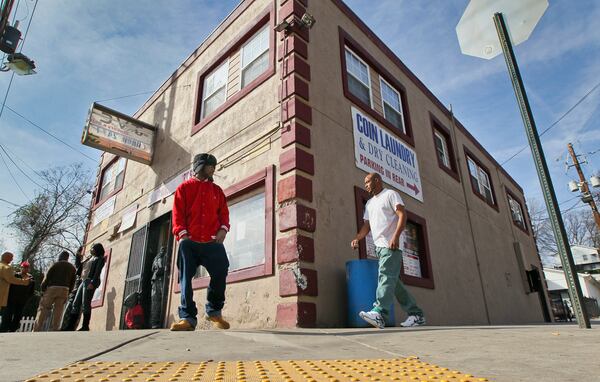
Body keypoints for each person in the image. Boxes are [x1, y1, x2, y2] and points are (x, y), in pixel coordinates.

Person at [351, 173, 425, 329]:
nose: (366, 185)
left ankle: (380, 313)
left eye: (368, 182)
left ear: (377, 180)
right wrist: (358, 238)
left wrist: (396, 237)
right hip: (380, 247)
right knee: (394, 283)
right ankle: (416, 314)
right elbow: (367, 226)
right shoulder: (370, 203)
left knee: (385, 275)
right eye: (364, 183)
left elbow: (402, 214)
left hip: (391, 245)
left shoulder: (391, 194)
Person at [170, 153, 230, 331]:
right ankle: (187, 318)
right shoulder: (184, 188)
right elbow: (177, 214)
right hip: (189, 242)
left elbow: (224, 214)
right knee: (185, 278)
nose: (212, 169)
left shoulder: (217, 191)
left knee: (221, 270)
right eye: (209, 166)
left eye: (213, 166)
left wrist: (223, 229)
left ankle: (214, 312)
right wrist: (183, 235)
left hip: (213, 242)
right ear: (199, 167)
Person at [62, 243, 105, 331]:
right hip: (83, 281)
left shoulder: (100, 259)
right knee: (76, 303)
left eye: (93, 248)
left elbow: (97, 272)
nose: (91, 249)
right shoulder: (90, 258)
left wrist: (92, 283)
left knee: (85, 304)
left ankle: (85, 326)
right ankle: (70, 326)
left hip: (89, 281)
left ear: (97, 249)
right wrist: (78, 255)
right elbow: (79, 266)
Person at [33, 251, 76, 331]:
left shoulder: (55, 264)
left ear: (60, 256)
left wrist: (43, 289)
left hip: (53, 288)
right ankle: (55, 329)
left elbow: (47, 277)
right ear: (67, 258)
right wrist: (69, 291)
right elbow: (73, 281)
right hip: (65, 289)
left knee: (43, 308)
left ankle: (37, 328)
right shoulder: (72, 267)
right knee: (58, 310)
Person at [0, 252, 30, 331]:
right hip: (3, 294)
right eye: (11, 257)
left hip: (19, 300)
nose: (12, 259)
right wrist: (24, 282)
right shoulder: (6, 268)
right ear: (6, 257)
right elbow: (11, 279)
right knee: (7, 315)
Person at [61, 246, 84, 330]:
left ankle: (71, 327)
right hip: (75, 292)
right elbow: (78, 263)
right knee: (70, 309)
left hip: (78, 291)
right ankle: (66, 326)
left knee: (76, 309)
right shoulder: (79, 270)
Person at [150, 246, 166, 329]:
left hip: (162, 279)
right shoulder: (157, 258)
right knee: (155, 301)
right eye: (161, 249)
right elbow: (153, 268)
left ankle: (160, 321)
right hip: (156, 279)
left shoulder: (165, 256)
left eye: (163, 249)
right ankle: (154, 322)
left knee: (162, 300)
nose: (162, 251)